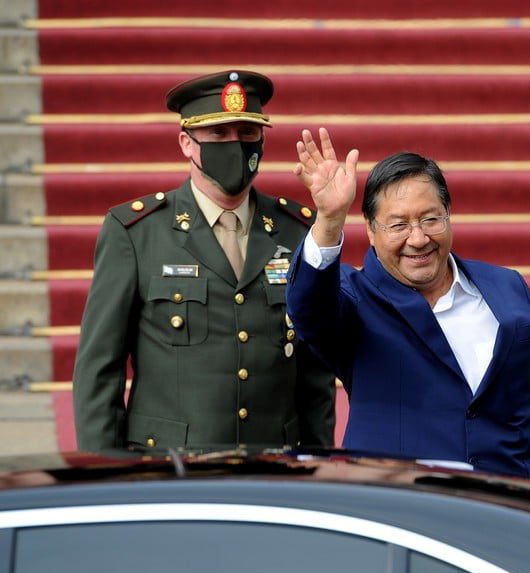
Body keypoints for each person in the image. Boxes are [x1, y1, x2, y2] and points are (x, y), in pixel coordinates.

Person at [286, 128, 530, 493]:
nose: (417, 239)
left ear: (448, 215)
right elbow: (308, 307)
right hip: (411, 519)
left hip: (518, 513)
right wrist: (329, 220)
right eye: (398, 225)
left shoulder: (508, 289)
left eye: (430, 219)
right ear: (370, 230)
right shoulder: (355, 300)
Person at [73, 71, 336, 451]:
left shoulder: (296, 230)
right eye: (218, 135)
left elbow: (316, 374)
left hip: (274, 468)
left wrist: (317, 463)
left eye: (247, 134)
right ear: (186, 142)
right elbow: (99, 370)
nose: (235, 145)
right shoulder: (136, 231)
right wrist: (107, 475)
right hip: (170, 471)